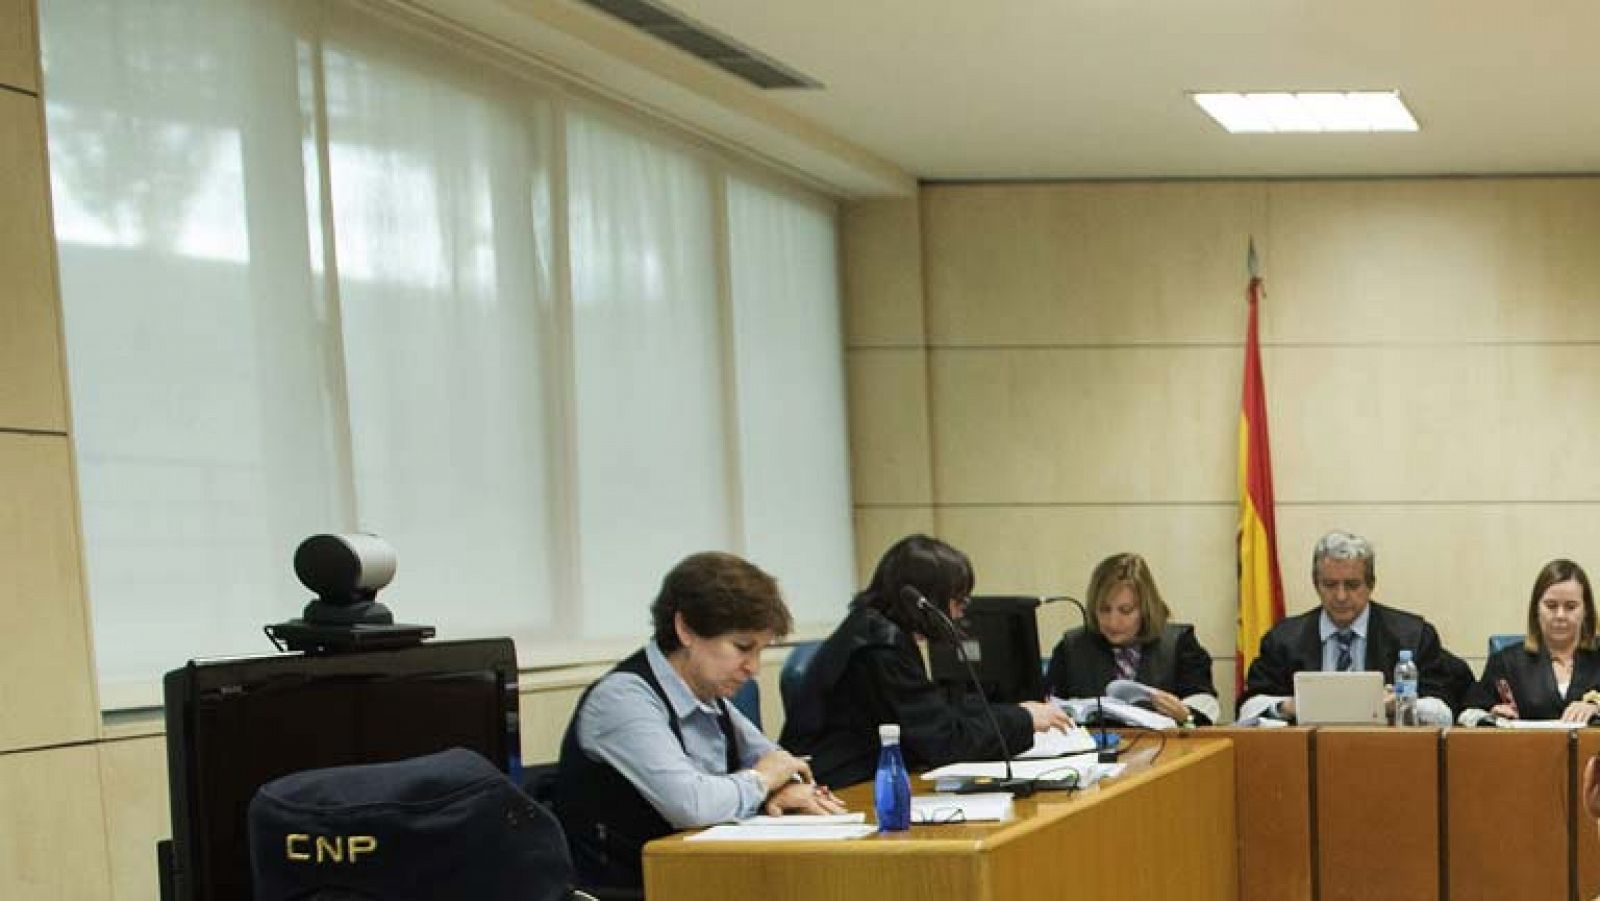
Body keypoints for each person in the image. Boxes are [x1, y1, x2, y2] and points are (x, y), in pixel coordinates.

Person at [550, 552, 844, 893]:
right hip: (633, 889)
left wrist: (785, 786)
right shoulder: (622, 699)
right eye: (742, 648)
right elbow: (692, 805)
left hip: (698, 880)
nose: (753, 668)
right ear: (686, 629)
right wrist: (763, 782)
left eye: (760, 652)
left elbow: (776, 760)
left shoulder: (707, 694)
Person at [779, 534, 1073, 788]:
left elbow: (936, 714)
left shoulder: (872, 629)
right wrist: (1023, 719)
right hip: (839, 788)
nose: (959, 614)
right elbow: (943, 742)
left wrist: (1014, 713)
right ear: (927, 600)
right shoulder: (880, 650)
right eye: (958, 601)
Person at [1238, 530, 1454, 725]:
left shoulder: (1413, 636)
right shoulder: (1284, 639)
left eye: (1352, 585)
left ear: (1371, 584)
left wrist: (1402, 703)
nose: (1341, 596)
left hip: (1388, 749)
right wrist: (1287, 706)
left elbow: (1445, 711)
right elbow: (1247, 709)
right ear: (1316, 584)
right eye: (1330, 585)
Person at [1043, 552, 1220, 725]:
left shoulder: (1180, 645)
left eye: (1125, 610)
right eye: (1104, 609)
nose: (1113, 622)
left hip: (1166, 743)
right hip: (1090, 743)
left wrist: (1186, 715)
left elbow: (1204, 709)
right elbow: (1046, 706)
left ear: (1145, 609)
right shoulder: (1071, 648)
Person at [1458, 559, 1600, 726]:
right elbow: (1466, 714)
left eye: (1571, 607)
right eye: (1551, 606)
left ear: (1586, 610)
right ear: (1536, 609)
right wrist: (1490, 716)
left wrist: (1597, 707)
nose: (1560, 615)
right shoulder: (1507, 662)